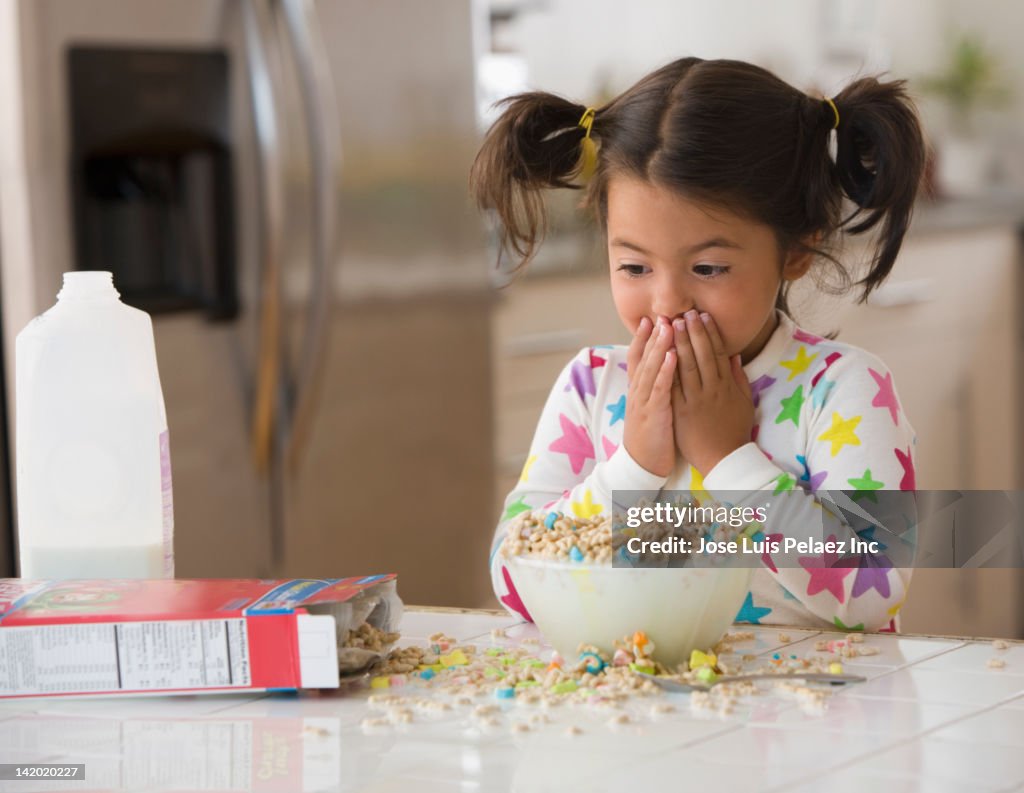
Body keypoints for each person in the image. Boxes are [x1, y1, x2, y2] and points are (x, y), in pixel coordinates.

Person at [470, 57, 925, 632]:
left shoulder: (842, 392)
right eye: (634, 266)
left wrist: (731, 462)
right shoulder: (591, 388)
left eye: (708, 267)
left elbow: (875, 589)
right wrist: (630, 471)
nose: (667, 304)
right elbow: (512, 580)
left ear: (796, 249)